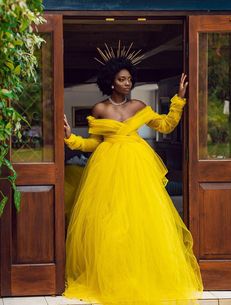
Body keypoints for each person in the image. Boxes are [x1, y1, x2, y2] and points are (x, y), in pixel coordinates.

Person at [63, 42, 203, 305]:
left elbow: (167, 124)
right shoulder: (99, 109)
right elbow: (93, 144)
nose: (127, 83)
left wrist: (180, 98)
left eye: (129, 79)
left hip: (137, 168)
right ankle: (112, 277)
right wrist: (71, 139)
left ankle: (142, 274)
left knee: (141, 221)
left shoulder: (139, 106)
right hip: (106, 169)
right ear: (111, 82)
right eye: (122, 79)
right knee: (110, 224)